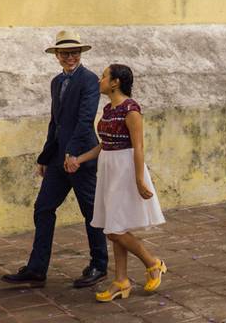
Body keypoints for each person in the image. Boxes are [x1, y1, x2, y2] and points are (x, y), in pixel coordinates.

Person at [2, 30, 108, 288]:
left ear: (80, 54)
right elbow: (55, 123)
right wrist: (45, 156)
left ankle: (99, 265)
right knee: (43, 209)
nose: (70, 57)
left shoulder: (90, 80)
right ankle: (37, 268)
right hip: (58, 159)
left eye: (74, 53)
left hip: (81, 157)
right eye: (65, 53)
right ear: (57, 56)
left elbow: (84, 122)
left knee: (91, 213)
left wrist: (73, 154)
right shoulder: (56, 82)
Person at [69, 63, 166, 302]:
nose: (99, 80)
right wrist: (80, 159)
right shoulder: (109, 108)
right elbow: (106, 143)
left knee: (113, 229)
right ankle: (121, 281)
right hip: (109, 167)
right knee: (116, 226)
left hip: (125, 169)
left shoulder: (131, 110)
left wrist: (139, 179)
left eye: (103, 77)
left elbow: (138, 146)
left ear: (115, 82)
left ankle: (153, 263)